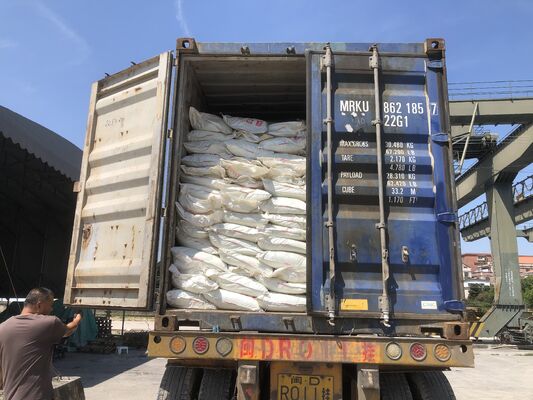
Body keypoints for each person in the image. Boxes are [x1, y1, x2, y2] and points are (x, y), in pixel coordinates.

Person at [0, 288, 82, 400]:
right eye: (50, 305)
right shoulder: (49, 322)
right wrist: (77, 320)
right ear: (39, 305)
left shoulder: (3, 327)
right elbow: (68, 330)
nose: (51, 309)